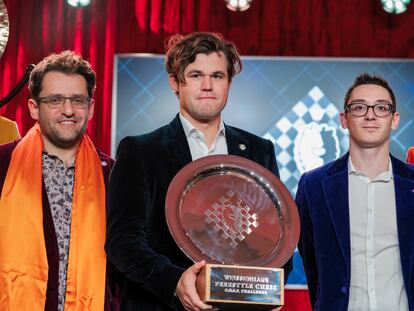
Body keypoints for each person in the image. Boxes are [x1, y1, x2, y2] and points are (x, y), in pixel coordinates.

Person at [106, 32, 292, 311]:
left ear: (229, 82)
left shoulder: (258, 150)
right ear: (175, 82)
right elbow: (123, 242)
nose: (207, 85)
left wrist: (266, 286)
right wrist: (175, 282)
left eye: (217, 76)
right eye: (195, 75)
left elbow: (277, 234)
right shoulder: (140, 151)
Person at [0, 51, 116, 311]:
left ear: (91, 108)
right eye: (54, 100)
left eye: (77, 100)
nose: (67, 110)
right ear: (33, 108)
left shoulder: (113, 175)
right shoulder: (2, 165)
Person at [296, 73, 414, 310]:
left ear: (394, 119)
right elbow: (311, 262)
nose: (370, 115)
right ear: (344, 119)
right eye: (359, 107)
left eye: (381, 107)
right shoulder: (313, 185)